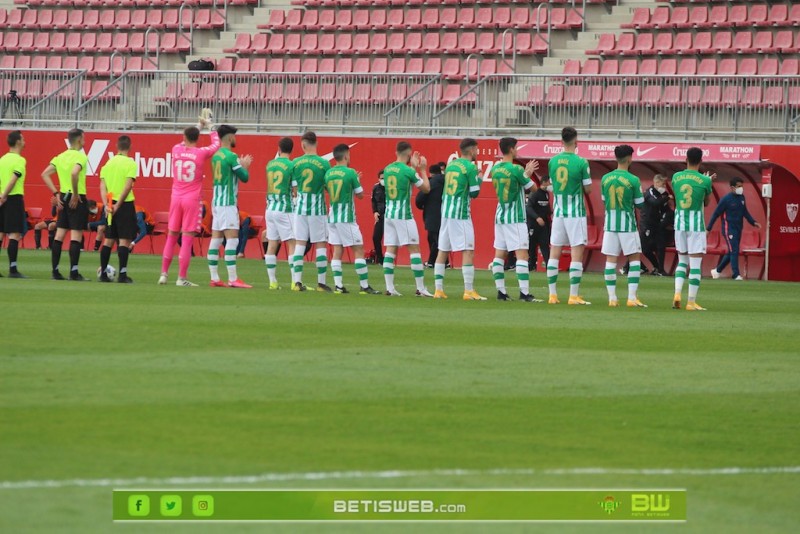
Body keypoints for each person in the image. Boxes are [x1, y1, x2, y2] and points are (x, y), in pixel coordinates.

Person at [159, 112, 220, 286]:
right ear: (197, 138)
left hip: (175, 197)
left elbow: (185, 140)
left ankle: (163, 274)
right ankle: (181, 278)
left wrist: (198, 125)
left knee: (171, 236)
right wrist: (210, 127)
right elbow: (216, 145)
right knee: (186, 238)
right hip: (191, 199)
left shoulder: (176, 150)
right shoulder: (201, 153)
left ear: (184, 137)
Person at [323, 143, 381, 295]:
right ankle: (364, 286)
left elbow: (327, 189)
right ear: (346, 155)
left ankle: (338, 286)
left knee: (337, 250)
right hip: (346, 217)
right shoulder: (350, 173)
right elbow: (360, 195)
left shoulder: (328, 173)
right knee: (358, 249)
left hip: (333, 216)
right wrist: (356, 180)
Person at [490, 137, 541, 302]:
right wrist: (527, 173)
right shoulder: (517, 170)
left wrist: (523, 176)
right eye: (516, 147)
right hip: (515, 216)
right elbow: (533, 188)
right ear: (511, 149)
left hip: (500, 215)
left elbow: (512, 186)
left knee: (499, 254)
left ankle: (501, 292)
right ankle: (524, 293)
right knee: (522, 255)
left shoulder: (496, 168)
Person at [434, 138, 485, 301]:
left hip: (446, 211)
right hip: (460, 213)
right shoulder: (470, 167)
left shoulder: (451, 165)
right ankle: (468, 290)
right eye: (476, 150)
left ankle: (438, 290)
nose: (477, 152)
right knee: (468, 250)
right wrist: (480, 179)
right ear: (471, 151)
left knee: (443, 250)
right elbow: (474, 193)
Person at [546, 127, 593, 305]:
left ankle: (552, 295)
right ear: (576, 141)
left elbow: (553, 184)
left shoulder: (553, 161)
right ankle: (573, 295)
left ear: (561, 141)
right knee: (576, 252)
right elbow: (588, 189)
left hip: (558, 212)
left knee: (554, 251)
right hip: (575, 213)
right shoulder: (581, 162)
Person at [382, 141, 432, 297]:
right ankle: (420, 288)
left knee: (390, 250)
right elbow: (426, 188)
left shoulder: (388, 168)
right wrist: (422, 169)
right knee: (414, 249)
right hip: (403, 214)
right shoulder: (408, 171)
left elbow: (404, 176)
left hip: (389, 214)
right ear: (409, 155)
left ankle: (390, 288)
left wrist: (413, 168)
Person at [600, 145, 647, 308]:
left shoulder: (605, 178)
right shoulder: (633, 180)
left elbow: (604, 201)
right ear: (629, 159)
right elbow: (640, 204)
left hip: (610, 225)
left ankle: (612, 298)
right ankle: (631, 298)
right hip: (627, 225)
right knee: (634, 259)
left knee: (610, 260)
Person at [207, 124, 253, 288]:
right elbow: (244, 177)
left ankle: (214, 278)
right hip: (228, 203)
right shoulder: (231, 156)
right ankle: (233, 279)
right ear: (230, 137)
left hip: (217, 202)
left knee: (216, 239)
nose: (236, 139)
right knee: (232, 239)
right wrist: (245, 165)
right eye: (235, 136)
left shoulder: (216, 156)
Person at [41, 128, 90, 281]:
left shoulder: (60, 156)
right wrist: (75, 194)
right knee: (75, 236)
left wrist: (56, 193)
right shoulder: (81, 157)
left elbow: (45, 174)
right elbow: (75, 173)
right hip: (77, 197)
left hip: (63, 197)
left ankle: (55, 272)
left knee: (59, 235)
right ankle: (74, 272)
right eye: (84, 138)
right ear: (80, 139)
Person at [672, 147, 714, 311]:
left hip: (679, 223)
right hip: (696, 225)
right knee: (695, 264)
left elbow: (677, 195)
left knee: (682, 261)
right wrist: (707, 181)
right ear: (701, 161)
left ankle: (677, 293)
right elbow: (706, 202)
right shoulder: (705, 181)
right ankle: (691, 301)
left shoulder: (676, 177)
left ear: (686, 159)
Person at [291, 131, 332, 292]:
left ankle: (297, 282)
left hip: (300, 208)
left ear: (303, 145)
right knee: (321, 243)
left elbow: (294, 188)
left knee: (300, 243)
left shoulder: (295, 162)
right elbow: (329, 187)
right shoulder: (324, 163)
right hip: (317, 209)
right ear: (316, 143)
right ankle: (321, 283)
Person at [98, 135, 138, 283]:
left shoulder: (108, 164)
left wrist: (106, 205)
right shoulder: (130, 163)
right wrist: (118, 205)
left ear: (116, 146)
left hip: (109, 204)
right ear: (130, 146)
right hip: (124, 203)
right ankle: (122, 274)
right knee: (124, 240)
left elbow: (102, 186)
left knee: (108, 239)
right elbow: (128, 186)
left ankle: (103, 274)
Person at [708, 178, 762, 281]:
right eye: (738, 186)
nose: (741, 188)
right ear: (732, 188)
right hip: (729, 229)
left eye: (742, 186)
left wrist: (753, 222)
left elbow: (745, 212)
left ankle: (717, 271)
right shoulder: (725, 199)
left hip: (738, 229)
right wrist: (709, 228)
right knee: (734, 250)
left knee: (731, 251)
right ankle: (736, 274)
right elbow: (715, 214)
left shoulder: (742, 198)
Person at [264, 137, 296, 289]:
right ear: (292, 149)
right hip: (284, 208)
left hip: (270, 208)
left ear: (279, 148)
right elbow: (295, 189)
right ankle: (294, 281)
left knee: (272, 243)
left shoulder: (270, 164)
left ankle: (272, 282)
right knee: (292, 243)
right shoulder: (291, 165)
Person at [0, 130, 27, 278]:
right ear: (18, 142)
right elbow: (13, 179)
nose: (24, 142)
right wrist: (4, 196)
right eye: (23, 139)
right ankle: (13, 269)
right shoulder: (19, 160)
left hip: (1, 198)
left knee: (0, 233)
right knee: (14, 234)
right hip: (13, 198)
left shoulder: (2, 159)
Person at [639, 174, 672, 276]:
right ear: (656, 183)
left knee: (661, 246)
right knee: (644, 248)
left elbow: (665, 208)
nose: (664, 187)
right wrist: (666, 199)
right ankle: (655, 266)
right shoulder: (650, 192)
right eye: (663, 184)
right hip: (647, 225)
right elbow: (655, 203)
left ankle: (661, 270)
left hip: (657, 225)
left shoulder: (663, 194)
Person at [415, 162, 445, 267]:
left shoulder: (430, 183)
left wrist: (422, 206)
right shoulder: (447, 181)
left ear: (431, 173)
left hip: (432, 215)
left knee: (434, 240)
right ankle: (444, 262)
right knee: (439, 239)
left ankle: (433, 262)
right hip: (446, 214)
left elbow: (419, 199)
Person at [526, 174, 552, 271]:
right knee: (531, 245)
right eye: (549, 182)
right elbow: (528, 207)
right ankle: (531, 265)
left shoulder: (546, 194)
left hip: (544, 225)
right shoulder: (535, 193)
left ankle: (549, 265)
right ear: (544, 182)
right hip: (534, 224)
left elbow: (546, 207)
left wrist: (550, 212)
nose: (550, 185)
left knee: (545, 244)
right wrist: (537, 218)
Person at [371, 170, 385, 265]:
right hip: (380, 216)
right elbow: (373, 201)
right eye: (382, 178)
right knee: (376, 237)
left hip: (390, 215)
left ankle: (390, 258)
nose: (383, 180)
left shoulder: (392, 187)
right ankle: (380, 259)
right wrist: (375, 212)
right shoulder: (376, 188)